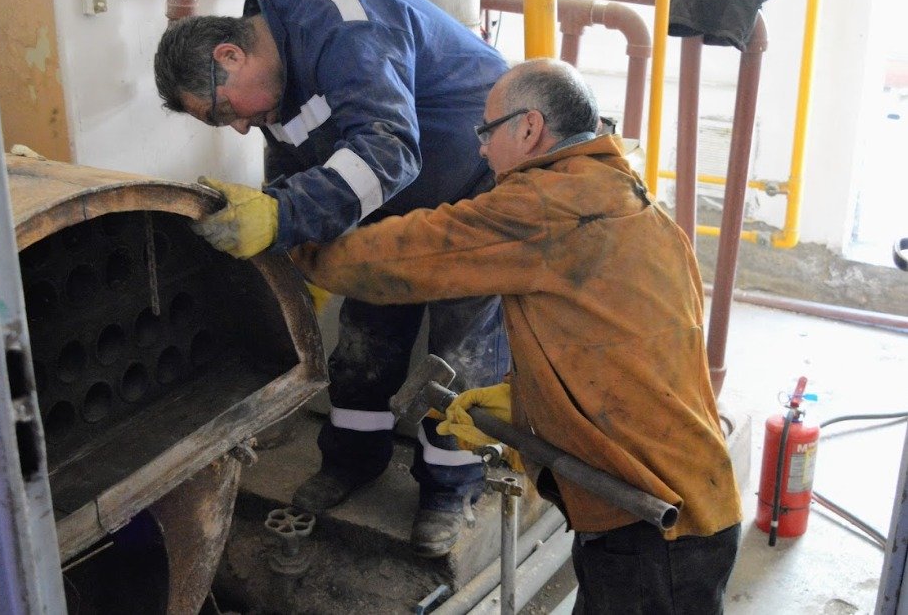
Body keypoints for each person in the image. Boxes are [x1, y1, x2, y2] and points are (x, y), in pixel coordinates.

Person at [287, 58, 743, 612]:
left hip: (654, 523)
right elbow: (624, 342)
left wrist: (291, 237)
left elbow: (412, 253)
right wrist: (531, 400)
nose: (480, 149)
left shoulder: (546, 206)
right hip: (687, 497)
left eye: (486, 131)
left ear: (528, 129)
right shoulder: (617, 189)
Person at [153, 0, 510, 558]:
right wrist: (297, 254)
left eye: (222, 112)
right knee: (365, 341)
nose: (239, 127)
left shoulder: (343, 28)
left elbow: (390, 150)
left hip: (473, 190)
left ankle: (449, 491)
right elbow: (299, 162)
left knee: (459, 357)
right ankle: (351, 461)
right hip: (391, 199)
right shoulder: (275, 69)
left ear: (230, 54)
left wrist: (282, 215)